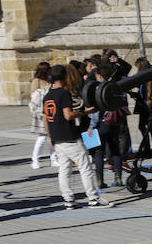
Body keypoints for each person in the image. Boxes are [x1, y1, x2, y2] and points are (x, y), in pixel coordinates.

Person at [42, 65, 114, 209]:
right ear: (64, 77)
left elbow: (45, 118)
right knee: (85, 166)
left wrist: (50, 137)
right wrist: (84, 113)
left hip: (56, 137)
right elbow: (68, 114)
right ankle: (93, 198)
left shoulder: (47, 95)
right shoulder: (63, 93)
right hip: (69, 136)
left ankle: (68, 199)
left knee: (64, 169)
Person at [89, 62, 125, 187]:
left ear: (98, 75)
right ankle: (118, 178)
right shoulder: (114, 87)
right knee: (115, 150)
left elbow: (92, 111)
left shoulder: (95, 88)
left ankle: (99, 180)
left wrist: (90, 127)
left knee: (99, 152)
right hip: (113, 122)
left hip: (98, 124)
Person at [29, 62, 57, 169]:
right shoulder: (37, 81)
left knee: (52, 136)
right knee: (42, 138)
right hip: (41, 112)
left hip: (50, 111)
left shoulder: (50, 80)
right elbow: (34, 96)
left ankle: (54, 158)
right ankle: (35, 160)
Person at [134, 57, 152, 158]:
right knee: (146, 127)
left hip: (146, 105)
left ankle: (150, 149)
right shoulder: (144, 77)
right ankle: (149, 148)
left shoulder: (146, 77)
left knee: (148, 127)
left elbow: (147, 92)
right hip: (143, 104)